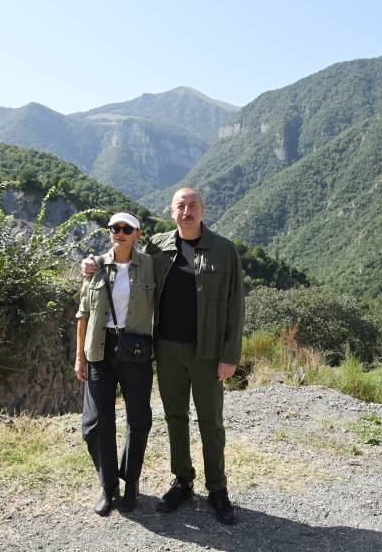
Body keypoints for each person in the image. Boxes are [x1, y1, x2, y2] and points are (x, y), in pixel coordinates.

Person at [82, 188, 244, 524]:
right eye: (181, 206)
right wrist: (95, 261)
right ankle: (183, 480)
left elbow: (235, 308)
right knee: (175, 418)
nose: (187, 211)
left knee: (211, 421)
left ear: (202, 210)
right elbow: (123, 254)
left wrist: (230, 355)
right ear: (171, 211)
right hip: (166, 349)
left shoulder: (224, 251)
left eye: (193, 206)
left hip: (208, 351)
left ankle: (217, 488)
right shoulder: (158, 246)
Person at [75, 211, 155, 516]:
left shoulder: (150, 265)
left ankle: (130, 481)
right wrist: (79, 356)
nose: (119, 232)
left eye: (126, 228)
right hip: (99, 349)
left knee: (139, 420)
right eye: (114, 228)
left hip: (135, 350)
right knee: (95, 425)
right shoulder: (95, 266)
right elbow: (83, 313)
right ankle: (108, 487)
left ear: (137, 233)